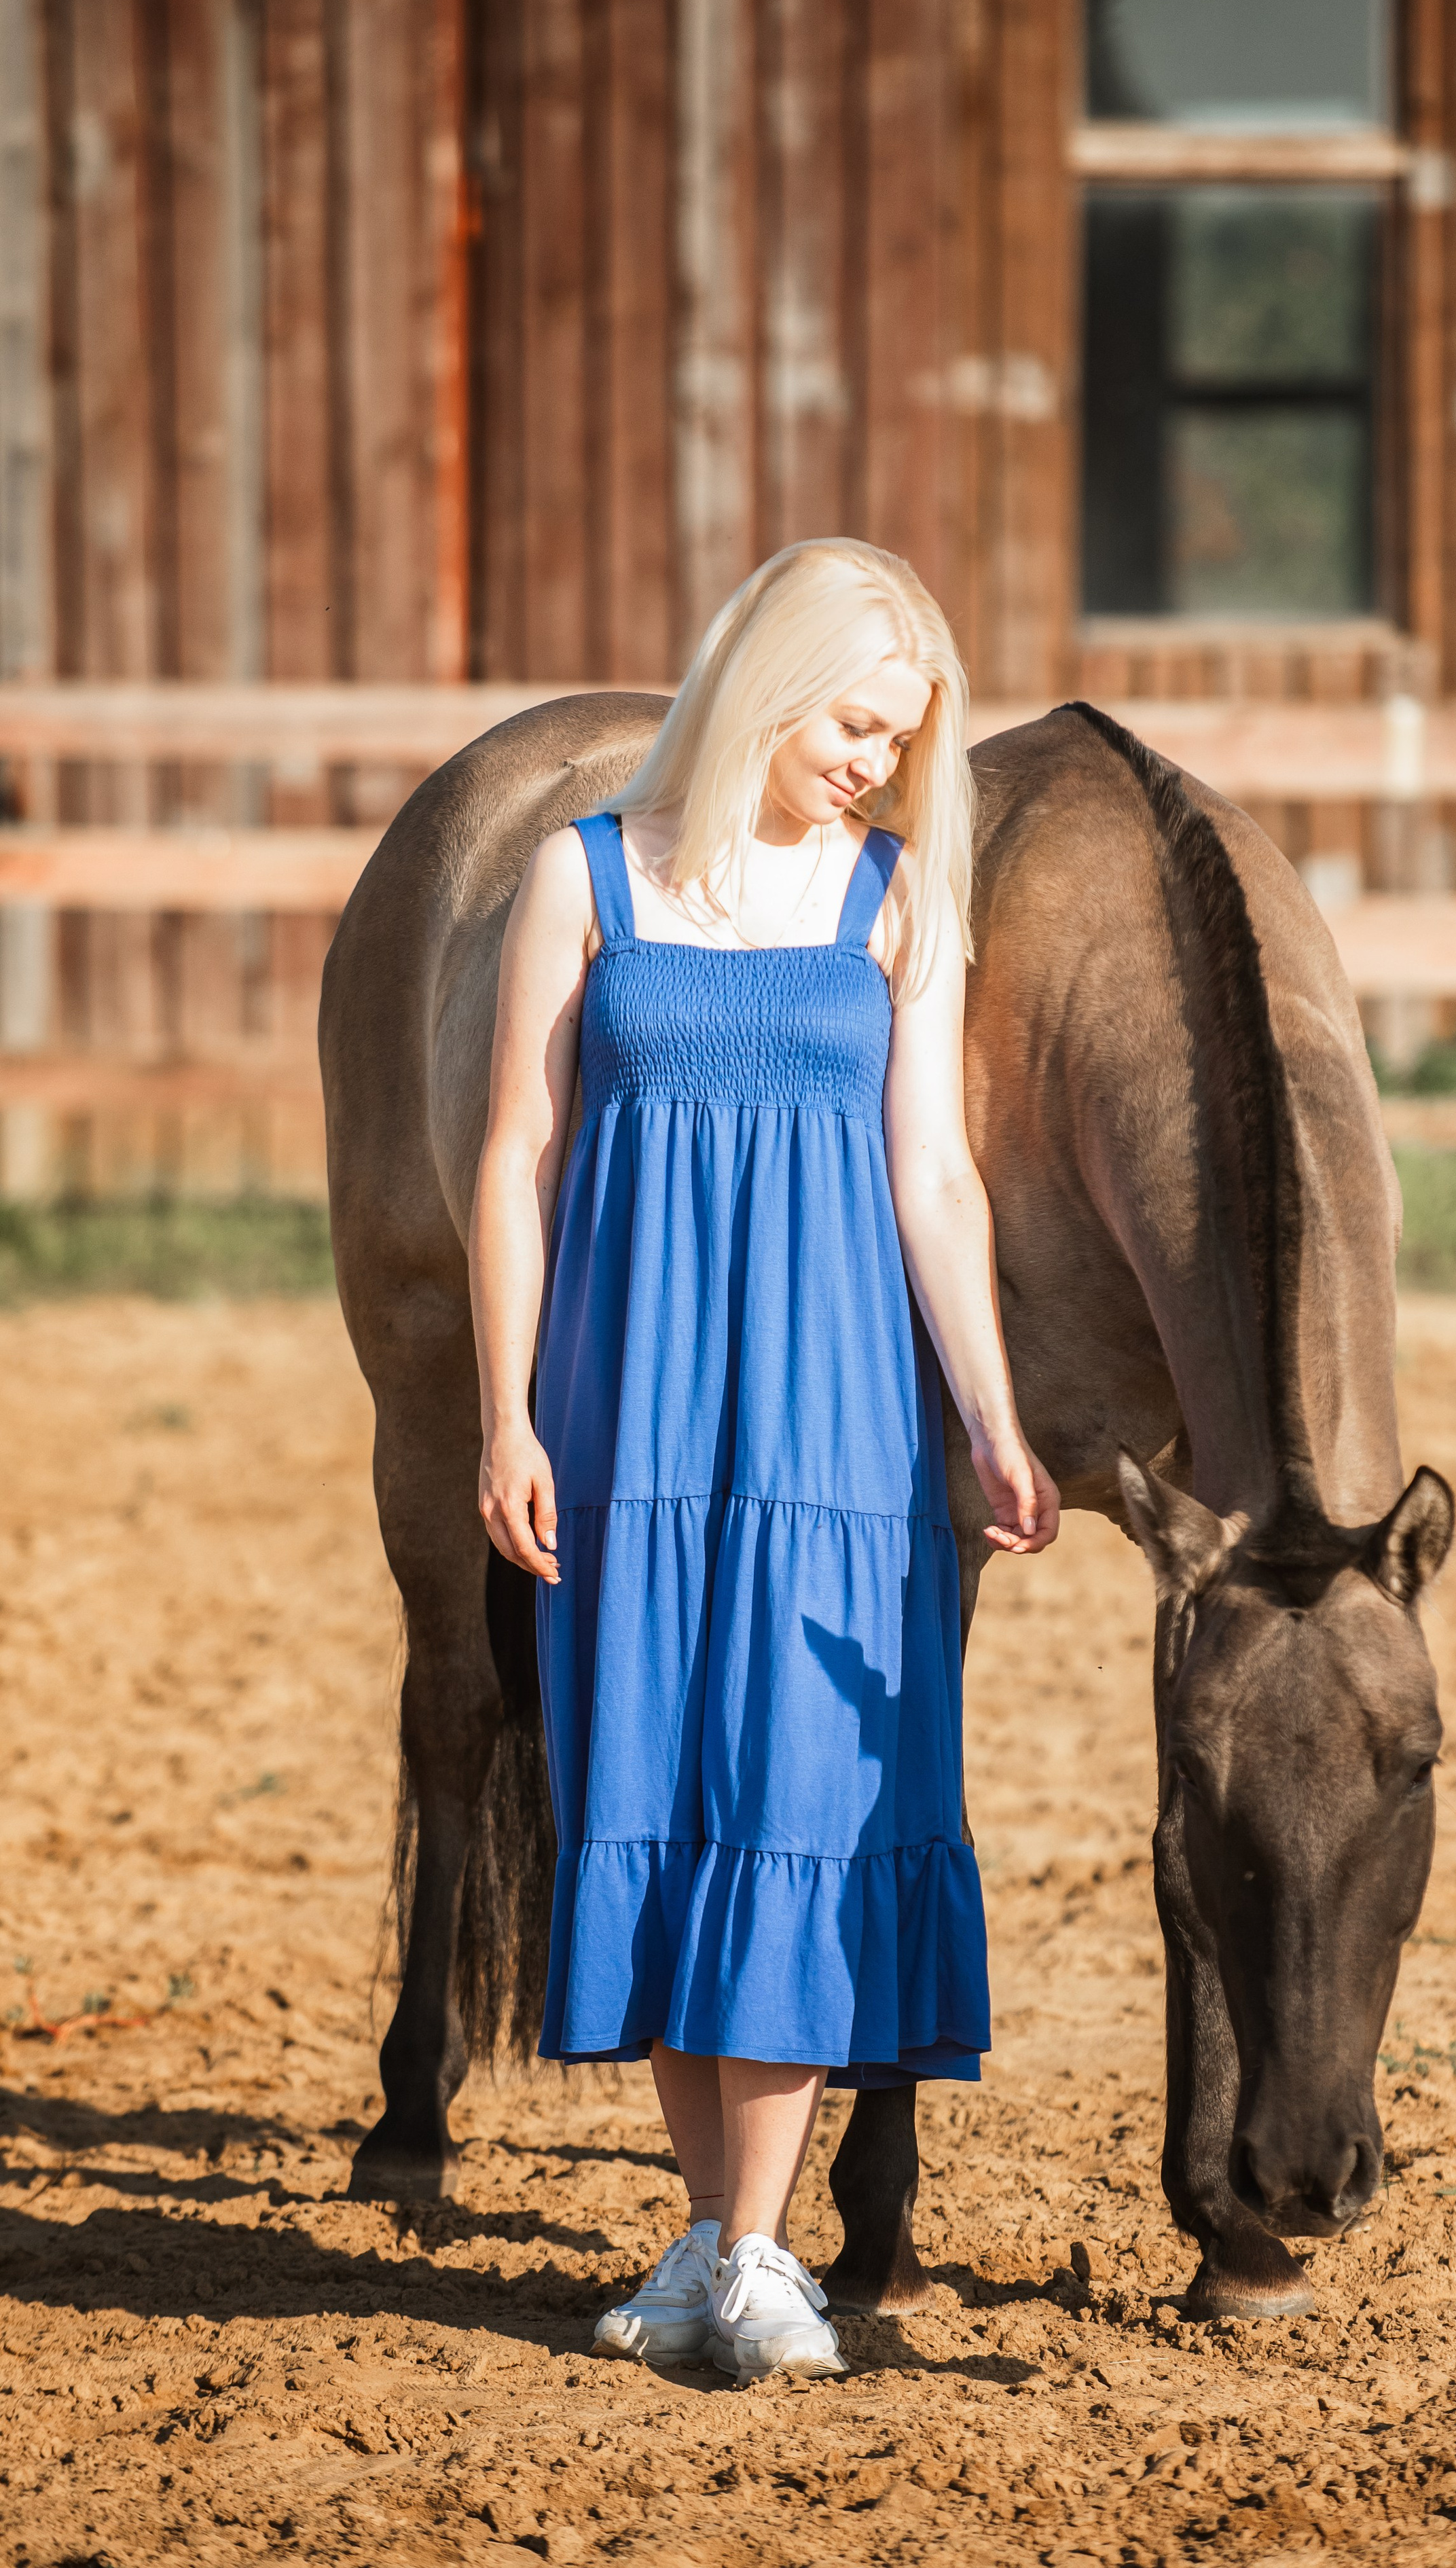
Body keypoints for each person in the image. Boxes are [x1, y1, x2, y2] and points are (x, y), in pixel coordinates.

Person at [469, 537, 1059, 2381]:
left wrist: (990, 1412)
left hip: (834, 1420)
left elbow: (933, 1178)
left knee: (799, 1792)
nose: (878, 762)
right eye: (856, 724)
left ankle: (751, 2251)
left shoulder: (896, 898)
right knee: (651, 1783)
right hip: (623, 1412)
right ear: (766, 685)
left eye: (902, 737)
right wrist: (504, 1411)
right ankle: (715, 2238)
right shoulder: (580, 879)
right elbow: (516, 1162)